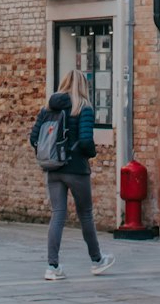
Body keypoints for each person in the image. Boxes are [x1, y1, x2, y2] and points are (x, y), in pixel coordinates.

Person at [29, 68, 114, 281]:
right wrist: (89, 154)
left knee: (57, 214)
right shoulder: (83, 107)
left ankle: (52, 266)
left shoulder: (47, 108)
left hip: (53, 168)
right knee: (85, 214)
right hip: (76, 169)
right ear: (82, 86)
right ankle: (97, 260)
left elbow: (33, 138)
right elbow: (86, 141)